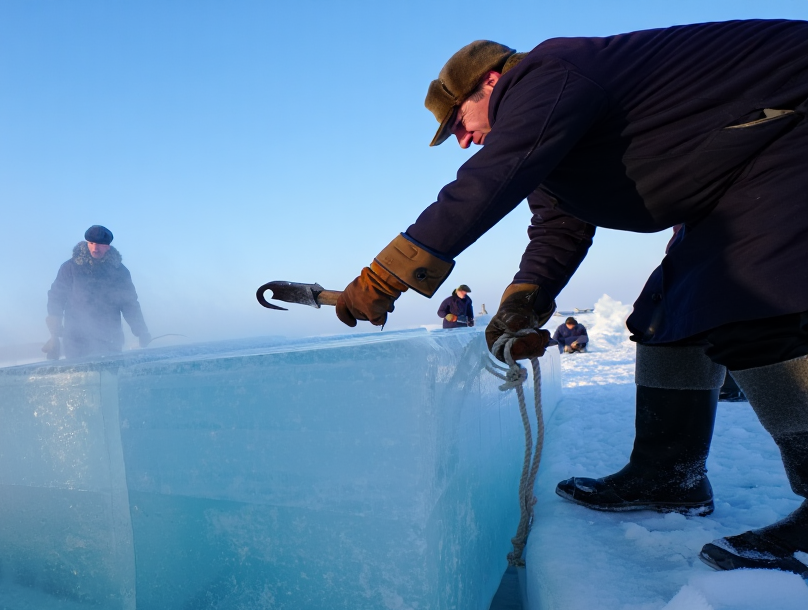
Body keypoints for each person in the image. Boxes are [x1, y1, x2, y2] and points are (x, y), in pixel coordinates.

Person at [327, 22, 808, 575]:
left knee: (748, 300)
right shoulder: (555, 131)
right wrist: (522, 304)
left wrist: (386, 276)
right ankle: (668, 476)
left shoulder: (547, 73)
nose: (461, 139)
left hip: (790, 130)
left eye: (458, 121)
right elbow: (559, 230)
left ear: (489, 81)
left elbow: (489, 179)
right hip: (747, 163)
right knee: (667, 311)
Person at [44, 225, 151, 359]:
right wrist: (54, 333)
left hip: (110, 337)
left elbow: (130, 304)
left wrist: (141, 331)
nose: (95, 248)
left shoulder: (119, 272)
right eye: (92, 243)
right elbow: (56, 297)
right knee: (80, 377)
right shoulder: (70, 268)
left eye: (100, 244)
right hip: (76, 339)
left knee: (109, 377)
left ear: (108, 246)